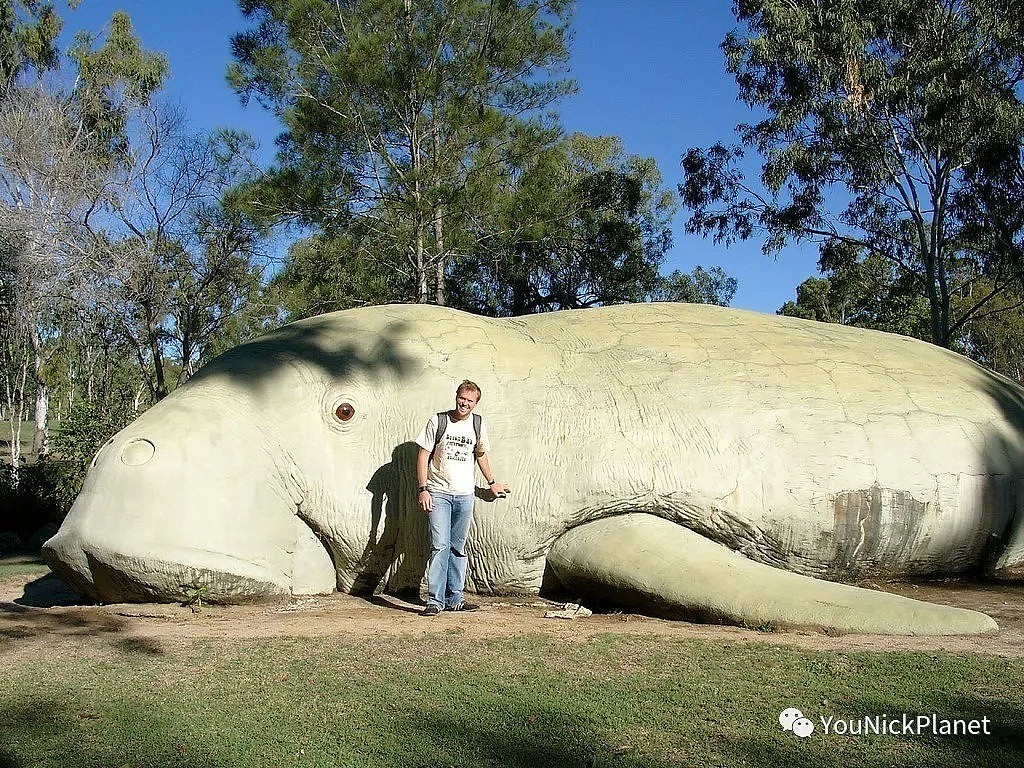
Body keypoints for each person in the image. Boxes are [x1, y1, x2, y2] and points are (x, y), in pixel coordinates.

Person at [415, 380, 510, 616]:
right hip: (438, 493)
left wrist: (491, 482)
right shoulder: (438, 421)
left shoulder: (477, 424)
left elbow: (480, 454)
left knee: (458, 548)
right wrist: (423, 489)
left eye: (470, 400)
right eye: (462, 398)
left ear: (475, 403)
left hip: (464, 495)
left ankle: (454, 598)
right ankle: (435, 601)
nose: (464, 403)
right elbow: (423, 455)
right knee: (440, 546)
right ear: (456, 396)